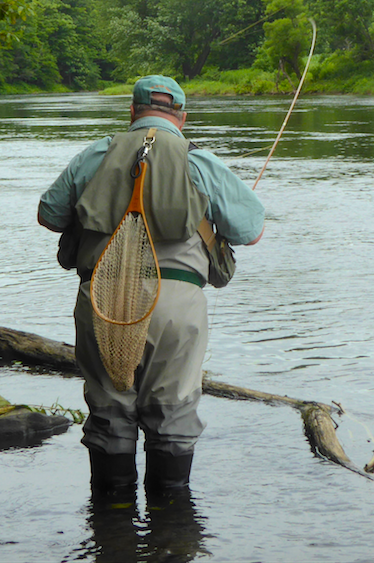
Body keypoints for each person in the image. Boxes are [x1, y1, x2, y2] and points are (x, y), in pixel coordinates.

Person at [37, 75, 265, 497]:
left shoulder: (96, 154)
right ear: (182, 116)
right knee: (174, 409)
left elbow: (49, 216)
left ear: (133, 112)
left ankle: (113, 522)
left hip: (103, 298)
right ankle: (171, 522)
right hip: (178, 304)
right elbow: (251, 231)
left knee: (109, 409)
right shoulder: (200, 162)